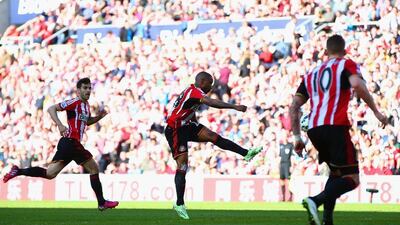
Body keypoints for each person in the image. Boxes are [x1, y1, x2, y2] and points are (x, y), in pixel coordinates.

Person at [289, 34, 388, 225]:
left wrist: (296, 138)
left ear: (325, 52)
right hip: (335, 125)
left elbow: (294, 107)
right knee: (352, 178)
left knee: (336, 173)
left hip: (314, 129)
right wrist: (376, 112)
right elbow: (357, 85)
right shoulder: (346, 64)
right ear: (345, 51)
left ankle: (327, 220)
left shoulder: (310, 74)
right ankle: (314, 201)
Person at [2, 78, 119, 211]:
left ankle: (18, 171)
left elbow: (86, 122)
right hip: (71, 141)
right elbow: (51, 109)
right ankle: (102, 202)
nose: (88, 91)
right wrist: (60, 125)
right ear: (78, 90)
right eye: (85, 88)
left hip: (68, 144)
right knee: (94, 169)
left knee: (50, 174)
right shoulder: (74, 102)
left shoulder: (86, 106)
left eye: (89, 88)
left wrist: (100, 117)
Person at [164, 71, 262, 219]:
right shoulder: (194, 91)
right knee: (183, 165)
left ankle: (246, 153)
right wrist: (234, 106)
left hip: (187, 125)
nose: (211, 87)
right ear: (203, 81)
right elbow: (210, 102)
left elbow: (189, 108)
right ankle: (179, 203)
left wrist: (194, 120)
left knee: (213, 137)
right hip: (175, 130)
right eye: (210, 84)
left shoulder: (191, 91)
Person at [279, 132, 293, 202]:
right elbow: (279, 156)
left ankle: (290, 196)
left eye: (285, 136)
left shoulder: (290, 145)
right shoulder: (280, 145)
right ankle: (283, 196)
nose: (284, 137)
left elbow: (292, 156)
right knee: (282, 180)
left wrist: (292, 166)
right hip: (281, 164)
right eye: (283, 136)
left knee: (288, 180)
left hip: (287, 164)